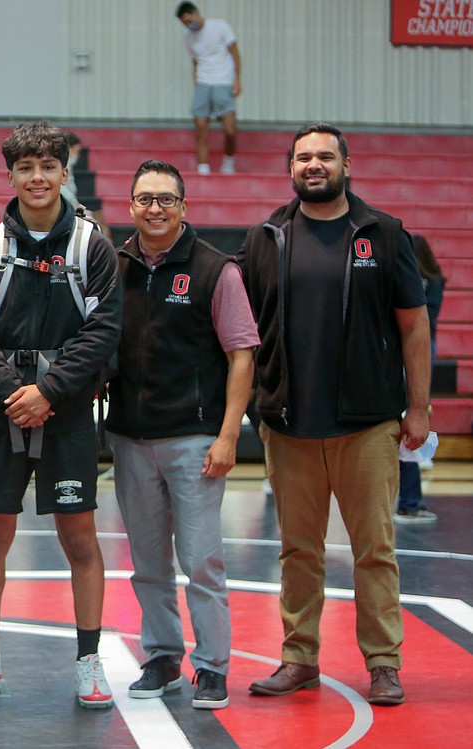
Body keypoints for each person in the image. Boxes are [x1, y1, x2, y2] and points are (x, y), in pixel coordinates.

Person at [241, 123, 430, 706]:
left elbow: (414, 325)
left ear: (347, 164)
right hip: (289, 424)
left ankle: (383, 663)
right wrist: (255, 408)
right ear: (290, 167)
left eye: (325, 156)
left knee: (375, 550)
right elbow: (243, 332)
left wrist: (417, 407)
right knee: (299, 550)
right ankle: (300, 658)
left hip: (368, 424)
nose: (314, 164)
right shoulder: (265, 237)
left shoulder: (384, 234)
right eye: (303, 157)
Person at [0, 121, 121, 708]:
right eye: (26, 167)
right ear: (11, 175)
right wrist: (10, 391)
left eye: (48, 166)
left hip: (67, 411)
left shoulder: (91, 245)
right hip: (2, 413)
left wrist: (48, 391)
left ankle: (89, 661)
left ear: (64, 172)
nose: (37, 177)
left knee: (79, 537)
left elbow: (103, 331)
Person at [105, 160, 258, 710]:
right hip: (128, 438)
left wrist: (228, 436)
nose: (154, 207)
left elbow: (242, 354)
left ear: (183, 207)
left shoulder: (217, 270)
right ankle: (163, 656)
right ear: (130, 207)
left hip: (194, 440)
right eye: (144, 198)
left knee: (201, 562)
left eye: (165, 199)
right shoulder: (113, 267)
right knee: (147, 563)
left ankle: (212, 666)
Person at [395, 234, 446, 523]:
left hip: (408, 346)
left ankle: (409, 499)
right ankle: (410, 501)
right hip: (423, 346)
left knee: (408, 414)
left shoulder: (406, 278)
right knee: (413, 410)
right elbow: (429, 320)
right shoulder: (433, 279)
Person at [175, 2, 241, 175]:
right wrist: (196, 83)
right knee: (201, 129)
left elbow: (235, 53)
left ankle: (228, 162)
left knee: (230, 130)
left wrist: (237, 80)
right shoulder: (188, 38)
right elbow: (195, 62)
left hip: (224, 83)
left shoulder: (220, 27)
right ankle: (203, 168)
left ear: (196, 13)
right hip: (203, 84)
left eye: (190, 19)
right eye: (185, 23)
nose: (190, 24)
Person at [62, 132, 111, 240]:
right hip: (67, 210)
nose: (78, 156)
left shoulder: (68, 168)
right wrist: (80, 209)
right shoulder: (63, 168)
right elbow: (66, 196)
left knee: (98, 215)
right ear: (69, 148)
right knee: (97, 218)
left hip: (71, 207)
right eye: (77, 151)